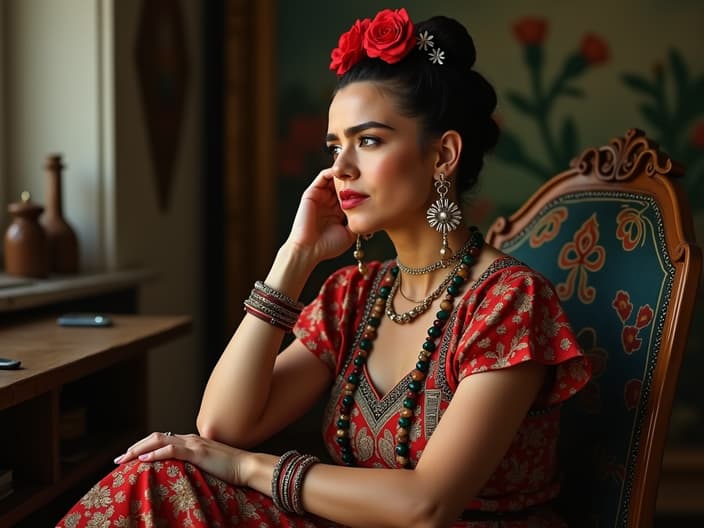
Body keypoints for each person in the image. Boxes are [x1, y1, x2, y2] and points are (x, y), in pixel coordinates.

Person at [58, 8, 591, 528]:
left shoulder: (508, 301)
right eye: (335, 146)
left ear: (444, 155)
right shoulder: (356, 294)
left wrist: (249, 468)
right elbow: (223, 424)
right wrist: (295, 257)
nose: (341, 168)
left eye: (369, 140)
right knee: (156, 480)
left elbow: (426, 507)